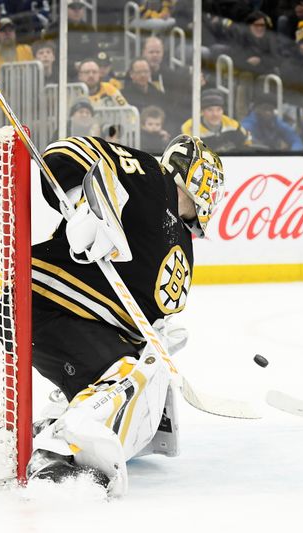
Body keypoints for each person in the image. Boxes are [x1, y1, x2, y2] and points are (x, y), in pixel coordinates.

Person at [27, 134, 226, 496]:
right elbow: (67, 152)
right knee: (121, 373)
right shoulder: (149, 175)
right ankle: (55, 452)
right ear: (196, 173)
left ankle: (65, 417)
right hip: (43, 302)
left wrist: (156, 334)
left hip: (81, 320)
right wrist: (81, 201)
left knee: (137, 368)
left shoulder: (181, 239)